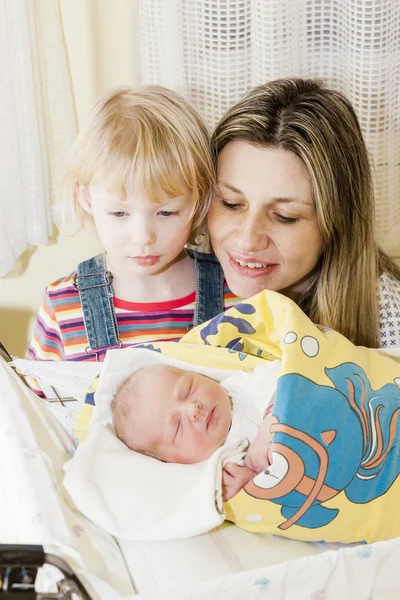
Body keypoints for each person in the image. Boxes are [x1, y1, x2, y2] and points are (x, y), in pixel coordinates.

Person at [26, 86, 240, 394]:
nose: (144, 237)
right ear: (86, 198)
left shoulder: (234, 294)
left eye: (166, 212)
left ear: (201, 198)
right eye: (118, 213)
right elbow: (39, 415)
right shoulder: (63, 306)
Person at [208, 77, 400, 348]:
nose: (247, 241)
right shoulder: (181, 280)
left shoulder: (390, 322)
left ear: (336, 222)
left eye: (285, 216)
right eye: (231, 203)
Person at [111, 364, 277, 501]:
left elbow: (291, 376)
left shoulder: (240, 388)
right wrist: (250, 483)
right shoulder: (220, 470)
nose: (192, 409)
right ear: (173, 461)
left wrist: (272, 419)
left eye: (188, 390)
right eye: (178, 428)